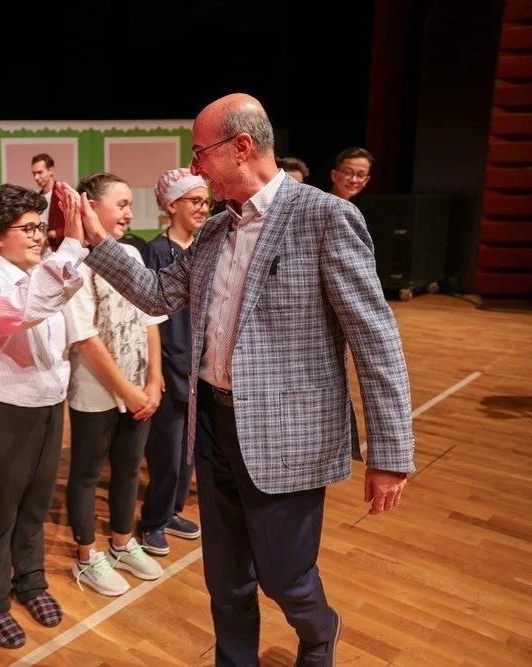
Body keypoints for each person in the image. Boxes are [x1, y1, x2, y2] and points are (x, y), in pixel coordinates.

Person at [73, 94, 415, 667]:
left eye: (200, 152)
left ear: (241, 146)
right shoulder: (213, 231)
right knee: (226, 578)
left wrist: (391, 453)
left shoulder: (324, 216)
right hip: (213, 424)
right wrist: (97, 243)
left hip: (289, 435)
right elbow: (157, 294)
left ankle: (319, 630)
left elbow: (375, 339)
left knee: (285, 577)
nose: (194, 165)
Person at [0, 182, 86, 648]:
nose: (38, 235)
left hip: (47, 404)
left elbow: (58, 290)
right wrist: (70, 244)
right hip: (4, 410)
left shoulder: (37, 273)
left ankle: (30, 582)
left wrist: (69, 246)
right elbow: (22, 309)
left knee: (36, 504)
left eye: (40, 226)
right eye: (27, 228)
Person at [64, 172, 166, 598]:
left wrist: (154, 379)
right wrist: (128, 391)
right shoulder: (72, 261)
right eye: (120, 204)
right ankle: (87, 557)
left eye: (129, 204)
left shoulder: (130, 254)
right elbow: (85, 339)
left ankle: (122, 543)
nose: (129, 213)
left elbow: (150, 317)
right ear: (90, 206)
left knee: (129, 469)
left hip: (140, 389)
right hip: (96, 391)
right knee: (88, 474)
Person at [137, 168, 210, 556]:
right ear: (171, 205)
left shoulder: (205, 248)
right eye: (194, 201)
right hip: (170, 366)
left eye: (206, 202)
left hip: (201, 367)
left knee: (188, 452)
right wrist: (158, 370)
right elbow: (151, 315)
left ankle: (171, 512)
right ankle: (153, 521)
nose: (203, 208)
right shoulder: (155, 252)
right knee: (166, 453)